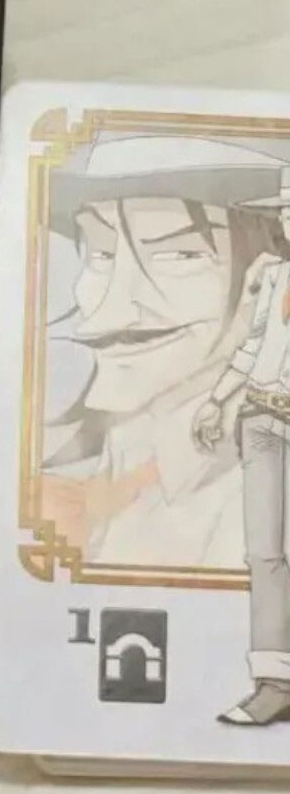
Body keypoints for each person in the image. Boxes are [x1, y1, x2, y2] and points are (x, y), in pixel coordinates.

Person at [39, 135, 289, 568]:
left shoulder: (258, 497)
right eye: (101, 252)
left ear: (264, 274)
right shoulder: (120, 450)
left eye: (178, 253)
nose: (110, 307)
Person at [192, 166, 290, 726]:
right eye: (286, 212)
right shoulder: (274, 276)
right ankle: (274, 683)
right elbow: (254, 345)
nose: (289, 220)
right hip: (260, 419)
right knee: (264, 553)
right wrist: (216, 400)